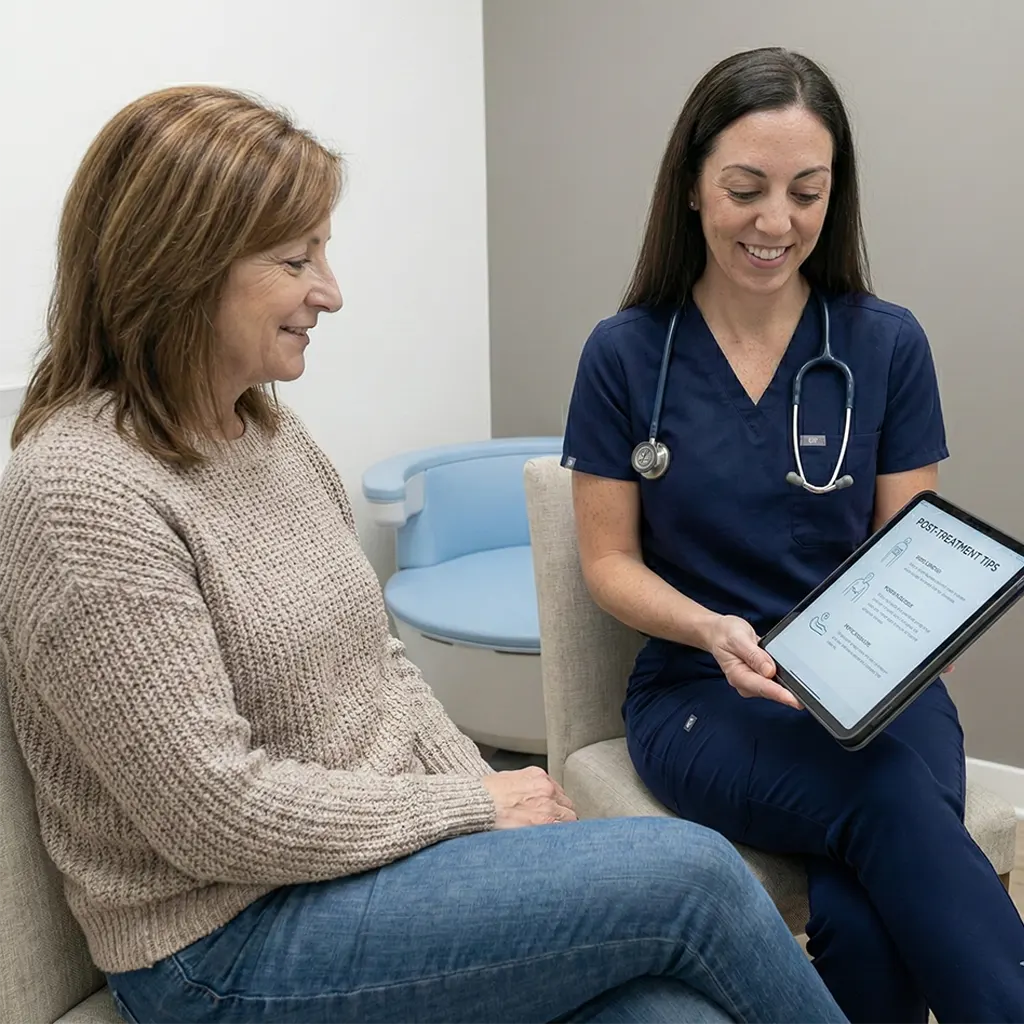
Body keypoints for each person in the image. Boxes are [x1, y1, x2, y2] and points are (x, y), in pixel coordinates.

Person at [0, 85, 847, 1024]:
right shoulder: (82, 493)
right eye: (295, 258)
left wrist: (489, 804)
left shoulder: (267, 435)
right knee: (694, 873)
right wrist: (472, 811)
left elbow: (382, 672)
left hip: (373, 871)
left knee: (668, 1012)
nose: (330, 289)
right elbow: (213, 812)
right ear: (178, 271)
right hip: (223, 946)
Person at [562, 47, 1024, 1024]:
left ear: (832, 197)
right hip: (700, 692)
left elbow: (910, 547)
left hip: (878, 685)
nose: (775, 222)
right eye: (745, 188)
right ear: (691, 187)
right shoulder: (625, 354)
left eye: (805, 193)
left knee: (858, 917)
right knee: (889, 804)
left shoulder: (885, 343)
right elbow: (606, 563)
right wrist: (710, 628)